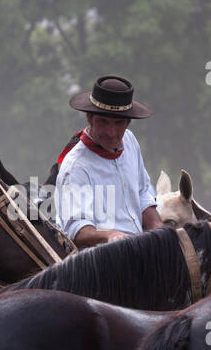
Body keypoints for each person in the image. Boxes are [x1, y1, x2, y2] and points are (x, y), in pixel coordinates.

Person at [54, 75, 160, 248]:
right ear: (89, 118)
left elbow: (143, 193)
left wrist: (158, 227)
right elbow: (76, 229)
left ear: (128, 123)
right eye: (103, 122)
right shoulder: (76, 167)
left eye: (119, 123)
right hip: (100, 262)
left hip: (139, 250)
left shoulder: (130, 141)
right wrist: (111, 235)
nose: (111, 133)